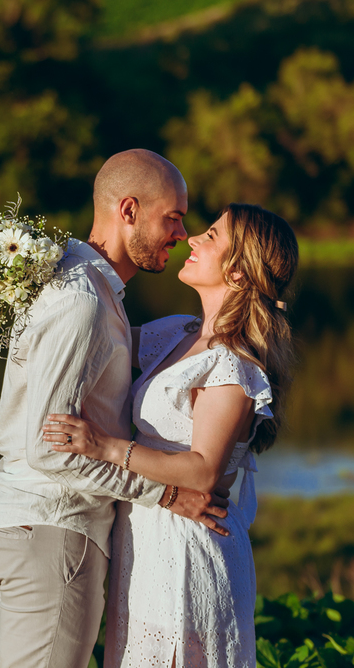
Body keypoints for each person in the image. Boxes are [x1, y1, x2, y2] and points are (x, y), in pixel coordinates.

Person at [0, 149, 232, 668]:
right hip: (53, 523)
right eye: (173, 218)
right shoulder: (82, 301)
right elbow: (50, 450)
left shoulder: (87, 286)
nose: (181, 234)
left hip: (45, 525)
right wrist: (165, 494)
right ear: (129, 210)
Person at [43, 203, 298, 667]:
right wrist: (32, 276)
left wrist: (104, 446)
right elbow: (95, 332)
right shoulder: (178, 333)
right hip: (147, 535)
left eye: (212, 236)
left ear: (238, 272)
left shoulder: (232, 363)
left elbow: (203, 471)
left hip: (189, 545)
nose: (193, 239)